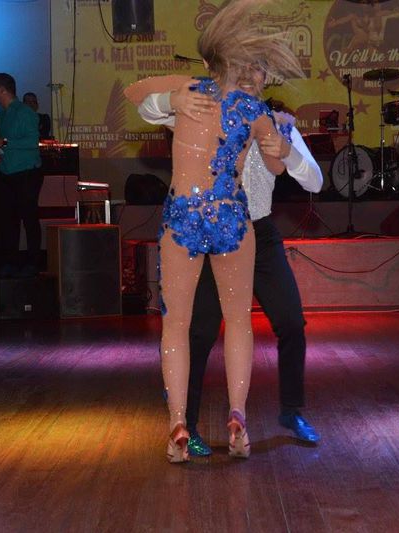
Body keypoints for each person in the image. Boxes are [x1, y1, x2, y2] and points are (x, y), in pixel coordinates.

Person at [124, 0, 304, 463]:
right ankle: (237, 415)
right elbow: (278, 168)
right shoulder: (253, 109)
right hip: (232, 221)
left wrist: (171, 101)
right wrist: (279, 143)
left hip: (183, 219)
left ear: (211, 60)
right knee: (238, 321)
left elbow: (135, 92)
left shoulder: (189, 91)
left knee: (176, 325)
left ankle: (177, 425)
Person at [0, 73, 42, 278]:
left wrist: (4, 142)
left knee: (29, 219)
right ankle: (11, 262)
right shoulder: (2, 117)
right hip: (7, 172)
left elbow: (32, 142)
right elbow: (4, 147)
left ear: (2, 90)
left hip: (27, 172)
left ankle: (34, 262)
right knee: (9, 220)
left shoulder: (25, 112)